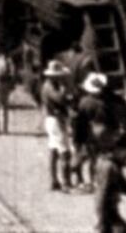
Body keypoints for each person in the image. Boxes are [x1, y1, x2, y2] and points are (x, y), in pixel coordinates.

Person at [41, 59, 73, 191]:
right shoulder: (50, 87)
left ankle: (54, 180)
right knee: (64, 151)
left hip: (51, 119)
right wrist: (65, 91)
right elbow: (59, 99)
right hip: (56, 120)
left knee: (54, 149)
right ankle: (66, 182)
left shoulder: (48, 85)